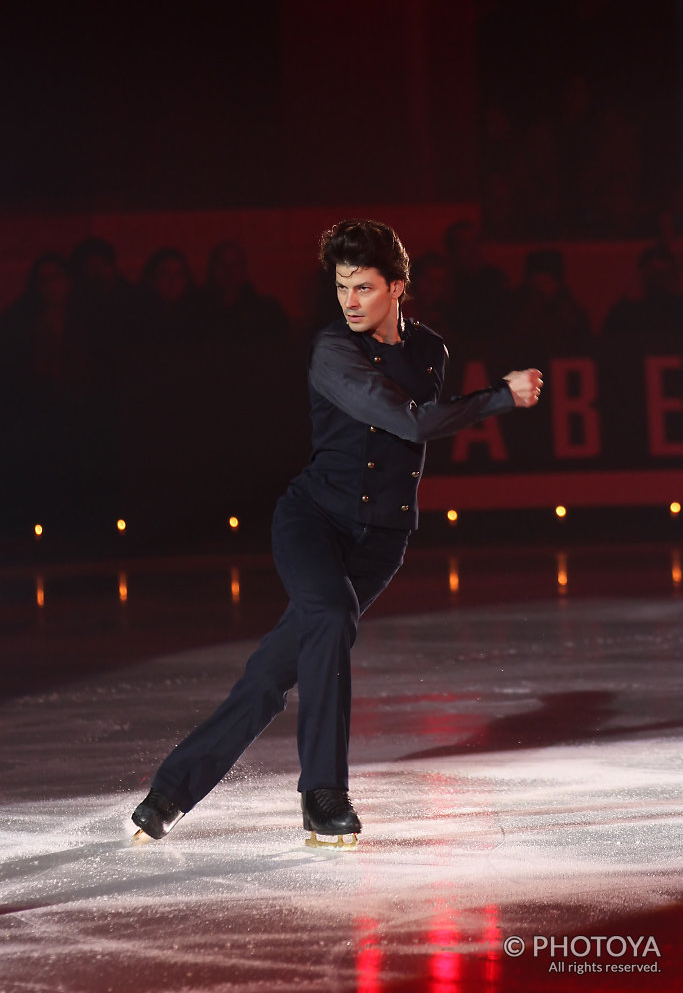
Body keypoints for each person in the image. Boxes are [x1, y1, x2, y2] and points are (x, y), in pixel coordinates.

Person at [131, 220, 542, 848]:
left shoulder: (431, 350)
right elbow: (408, 424)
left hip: (381, 540)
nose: (349, 301)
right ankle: (324, 794)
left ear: (398, 287)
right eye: (342, 286)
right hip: (313, 519)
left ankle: (169, 792)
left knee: (275, 668)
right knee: (326, 613)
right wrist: (500, 399)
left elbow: (414, 427)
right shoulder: (331, 350)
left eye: (364, 287)